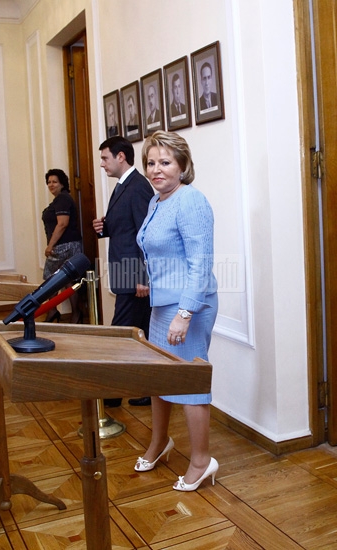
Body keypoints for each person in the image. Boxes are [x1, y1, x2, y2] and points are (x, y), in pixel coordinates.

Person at [135, 130, 219, 492]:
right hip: (162, 304)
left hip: (190, 305)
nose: (157, 169)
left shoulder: (190, 200)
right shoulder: (157, 201)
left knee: (188, 384)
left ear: (182, 166)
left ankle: (202, 461)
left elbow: (200, 263)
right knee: (158, 379)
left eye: (165, 162)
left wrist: (184, 313)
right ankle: (159, 443)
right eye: (151, 163)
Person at [93, 136, 154, 407]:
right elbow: (127, 226)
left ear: (120, 157)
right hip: (125, 273)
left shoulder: (138, 186)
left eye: (105, 158)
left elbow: (146, 233)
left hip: (133, 276)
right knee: (138, 333)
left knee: (122, 333)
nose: (102, 164)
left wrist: (143, 277)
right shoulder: (121, 186)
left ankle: (114, 393)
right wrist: (104, 227)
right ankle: (144, 390)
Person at [41, 168, 84, 324]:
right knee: (68, 281)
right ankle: (75, 315)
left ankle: (53, 311)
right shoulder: (60, 199)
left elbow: (62, 224)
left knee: (50, 280)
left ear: (62, 183)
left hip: (64, 246)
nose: (51, 185)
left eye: (55, 182)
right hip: (70, 245)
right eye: (49, 182)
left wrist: (50, 246)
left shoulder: (62, 200)